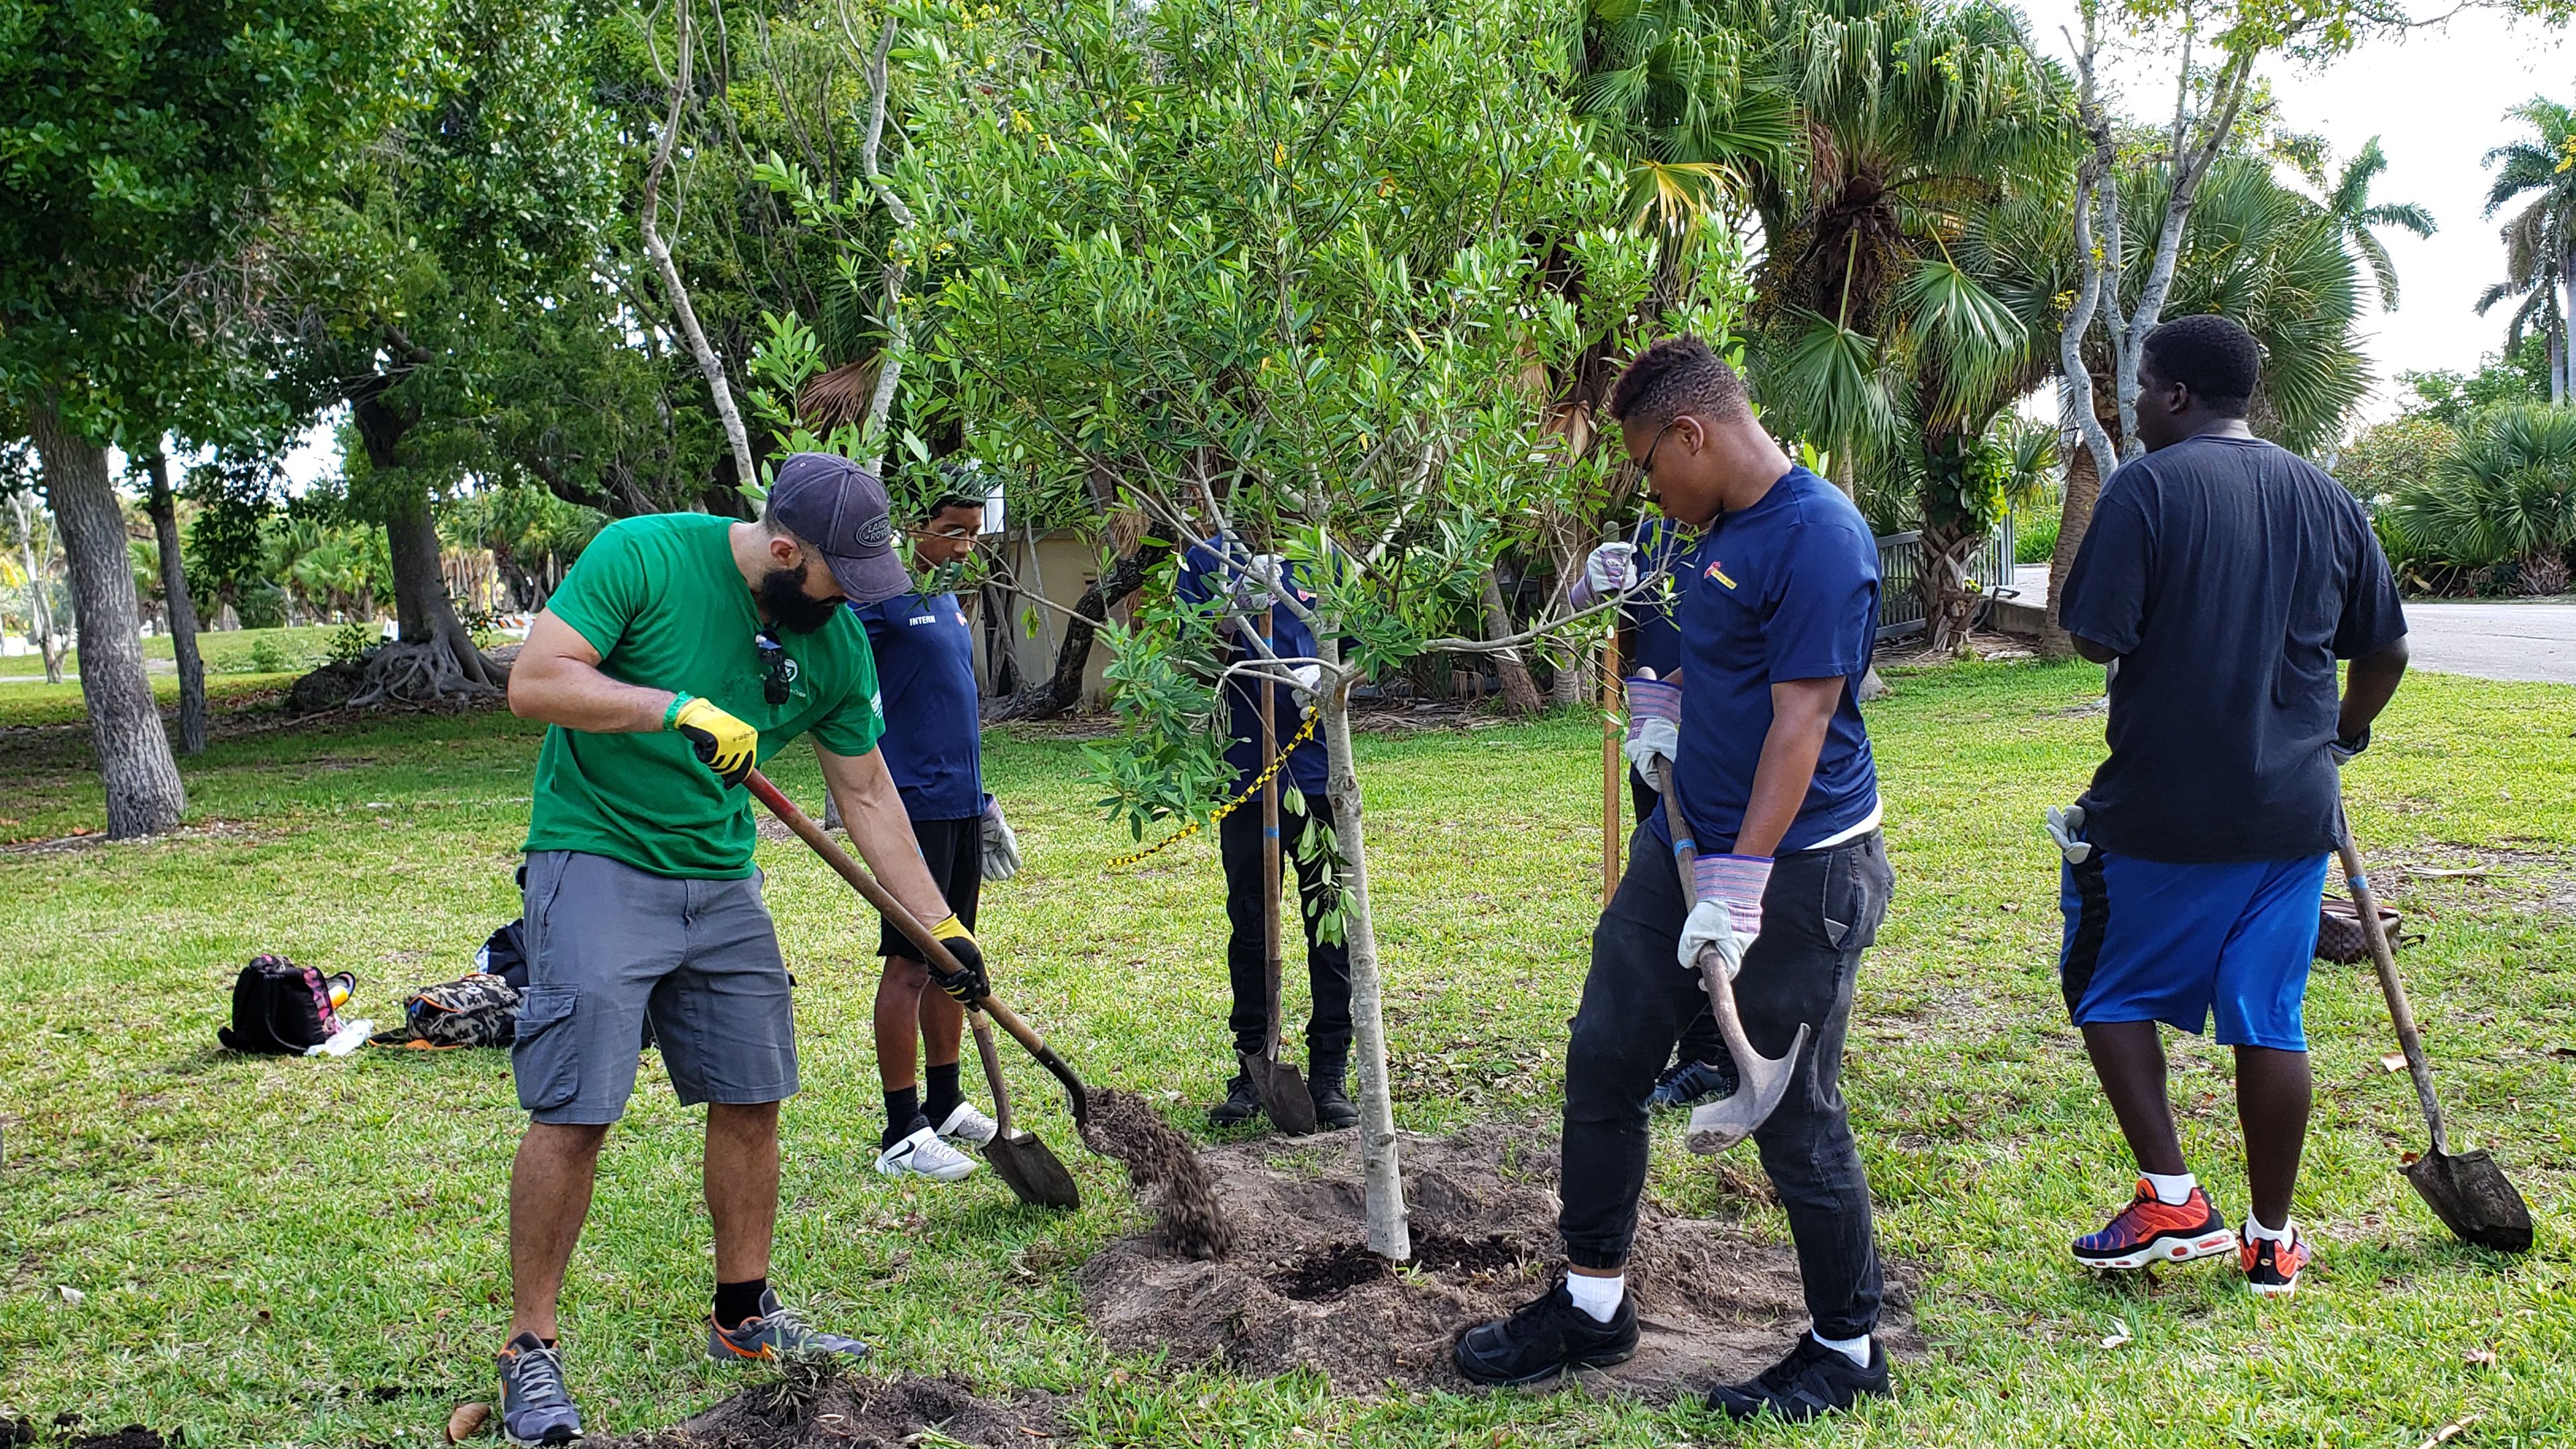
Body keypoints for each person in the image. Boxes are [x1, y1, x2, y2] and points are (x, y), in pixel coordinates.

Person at [493, 453, 1000, 1447]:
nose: (847, 604)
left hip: (722, 877)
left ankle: (745, 1318)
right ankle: (530, 1350)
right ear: (780, 552)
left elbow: (866, 795)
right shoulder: (642, 557)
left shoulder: (837, 643)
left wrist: (937, 924)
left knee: (752, 1088)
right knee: (578, 1106)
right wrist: (670, 706)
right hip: (598, 852)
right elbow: (535, 682)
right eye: (833, 582)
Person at [1456, 336, 1898, 1423]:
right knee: (1606, 1049)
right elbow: (1712, 655)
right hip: (1686, 840)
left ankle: (1846, 1351)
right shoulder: (1707, 532)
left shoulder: (1821, 536)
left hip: (1800, 869)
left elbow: (1804, 721)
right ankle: (1593, 1303)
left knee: (1790, 1105)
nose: (1648, 485)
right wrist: (1661, 707)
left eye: (1649, 461)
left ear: (1692, 434)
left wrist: (1741, 884)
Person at [2048, 313, 2408, 1299]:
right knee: (2270, 1018)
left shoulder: (2149, 488)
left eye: (2142, 387)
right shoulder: (2328, 496)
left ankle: (2172, 1199)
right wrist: (2343, 735)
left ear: (2174, 396)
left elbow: (2092, 636)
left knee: (2106, 989)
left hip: (2162, 813)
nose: (2137, 405)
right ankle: (2270, 1242)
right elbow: (2387, 652)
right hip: (2294, 813)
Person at [847, 474, 1022, 1182]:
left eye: (974, 532)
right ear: (915, 525)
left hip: (957, 804)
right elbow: (844, 691)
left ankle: (948, 1105)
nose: (965, 545)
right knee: (911, 964)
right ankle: (901, 1129)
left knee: (957, 959)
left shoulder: (946, 598)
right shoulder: (878, 599)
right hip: (907, 810)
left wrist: (982, 799)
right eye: (954, 529)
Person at [1171, 537, 1356, 1130]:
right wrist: (1226, 620)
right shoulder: (1205, 557)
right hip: (1243, 774)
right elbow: (1186, 664)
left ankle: (1330, 1073)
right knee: (1251, 922)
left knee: (1328, 920)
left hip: (1316, 769)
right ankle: (1255, 1064)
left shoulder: (1321, 554)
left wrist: (1328, 678)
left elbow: (1359, 654)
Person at [1572, 518, 1737, 1112]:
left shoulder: (1746, 532)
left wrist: (1675, 698)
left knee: (1721, 896)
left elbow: (1741, 647)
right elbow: (1582, 615)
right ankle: (1697, 1053)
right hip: (1653, 751)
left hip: (1721, 749)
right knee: (1674, 897)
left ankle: (1727, 1052)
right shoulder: (1649, 535)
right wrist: (1589, 587)